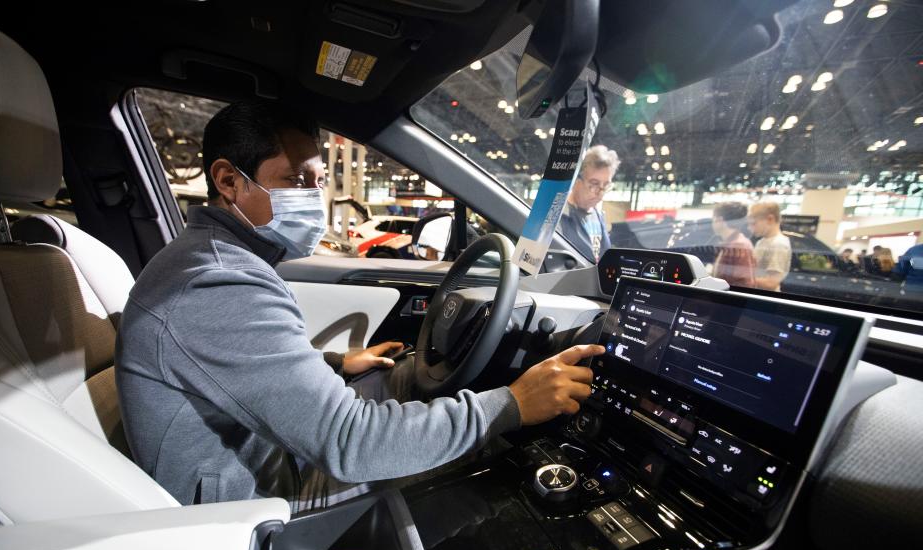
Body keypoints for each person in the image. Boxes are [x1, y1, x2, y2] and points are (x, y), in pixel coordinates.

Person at [115, 100, 603, 512]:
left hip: (266, 457)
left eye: (318, 179)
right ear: (227, 181)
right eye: (295, 180)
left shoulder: (215, 260)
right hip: (252, 511)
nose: (314, 197)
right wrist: (511, 405)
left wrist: (332, 363)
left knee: (405, 381)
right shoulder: (214, 282)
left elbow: (234, 366)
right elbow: (351, 444)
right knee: (497, 458)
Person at [559, 145, 619, 262]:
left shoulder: (599, 216)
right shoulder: (558, 218)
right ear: (576, 180)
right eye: (594, 183)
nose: (600, 193)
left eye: (606, 185)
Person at [747, 201, 792, 291]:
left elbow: (771, 283)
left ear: (770, 219)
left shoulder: (779, 244)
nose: (750, 228)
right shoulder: (762, 242)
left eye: (754, 223)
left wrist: (740, 279)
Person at [710, 202, 755, 288]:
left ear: (719, 220)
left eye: (713, 219)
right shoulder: (732, 243)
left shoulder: (739, 245)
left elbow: (745, 283)